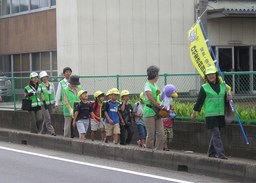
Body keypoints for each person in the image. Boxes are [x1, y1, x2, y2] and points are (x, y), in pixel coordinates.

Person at [191, 66, 231, 159]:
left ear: (216, 75)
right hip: (211, 115)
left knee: (216, 134)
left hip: (220, 114)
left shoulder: (222, 86)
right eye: (208, 75)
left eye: (212, 74)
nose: (211, 76)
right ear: (206, 77)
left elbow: (225, 100)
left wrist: (228, 98)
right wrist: (194, 112)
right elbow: (199, 101)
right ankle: (220, 154)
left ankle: (210, 153)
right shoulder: (204, 87)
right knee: (216, 134)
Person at [143, 65, 164, 150]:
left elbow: (159, 97)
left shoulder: (155, 85)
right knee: (151, 134)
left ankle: (158, 151)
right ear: (155, 75)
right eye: (158, 74)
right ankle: (148, 151)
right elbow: (151, 99)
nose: (158, 76)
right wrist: (160, 106)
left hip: (157, 111)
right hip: (149, 111)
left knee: (161, 133)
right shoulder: (147, 85)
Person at [38, 71, 56, 136]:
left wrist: (54, 102)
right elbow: (40, 94)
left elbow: (53, 93)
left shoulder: (51, 84)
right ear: (41, 79)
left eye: (46, 77)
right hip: (44, 104)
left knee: (46, 118)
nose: (45, 78)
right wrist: (43, 101)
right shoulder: (40, 85)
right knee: (48, 118)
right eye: (43, 77)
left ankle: (43, 131)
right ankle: (52, 131)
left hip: (51, 103)